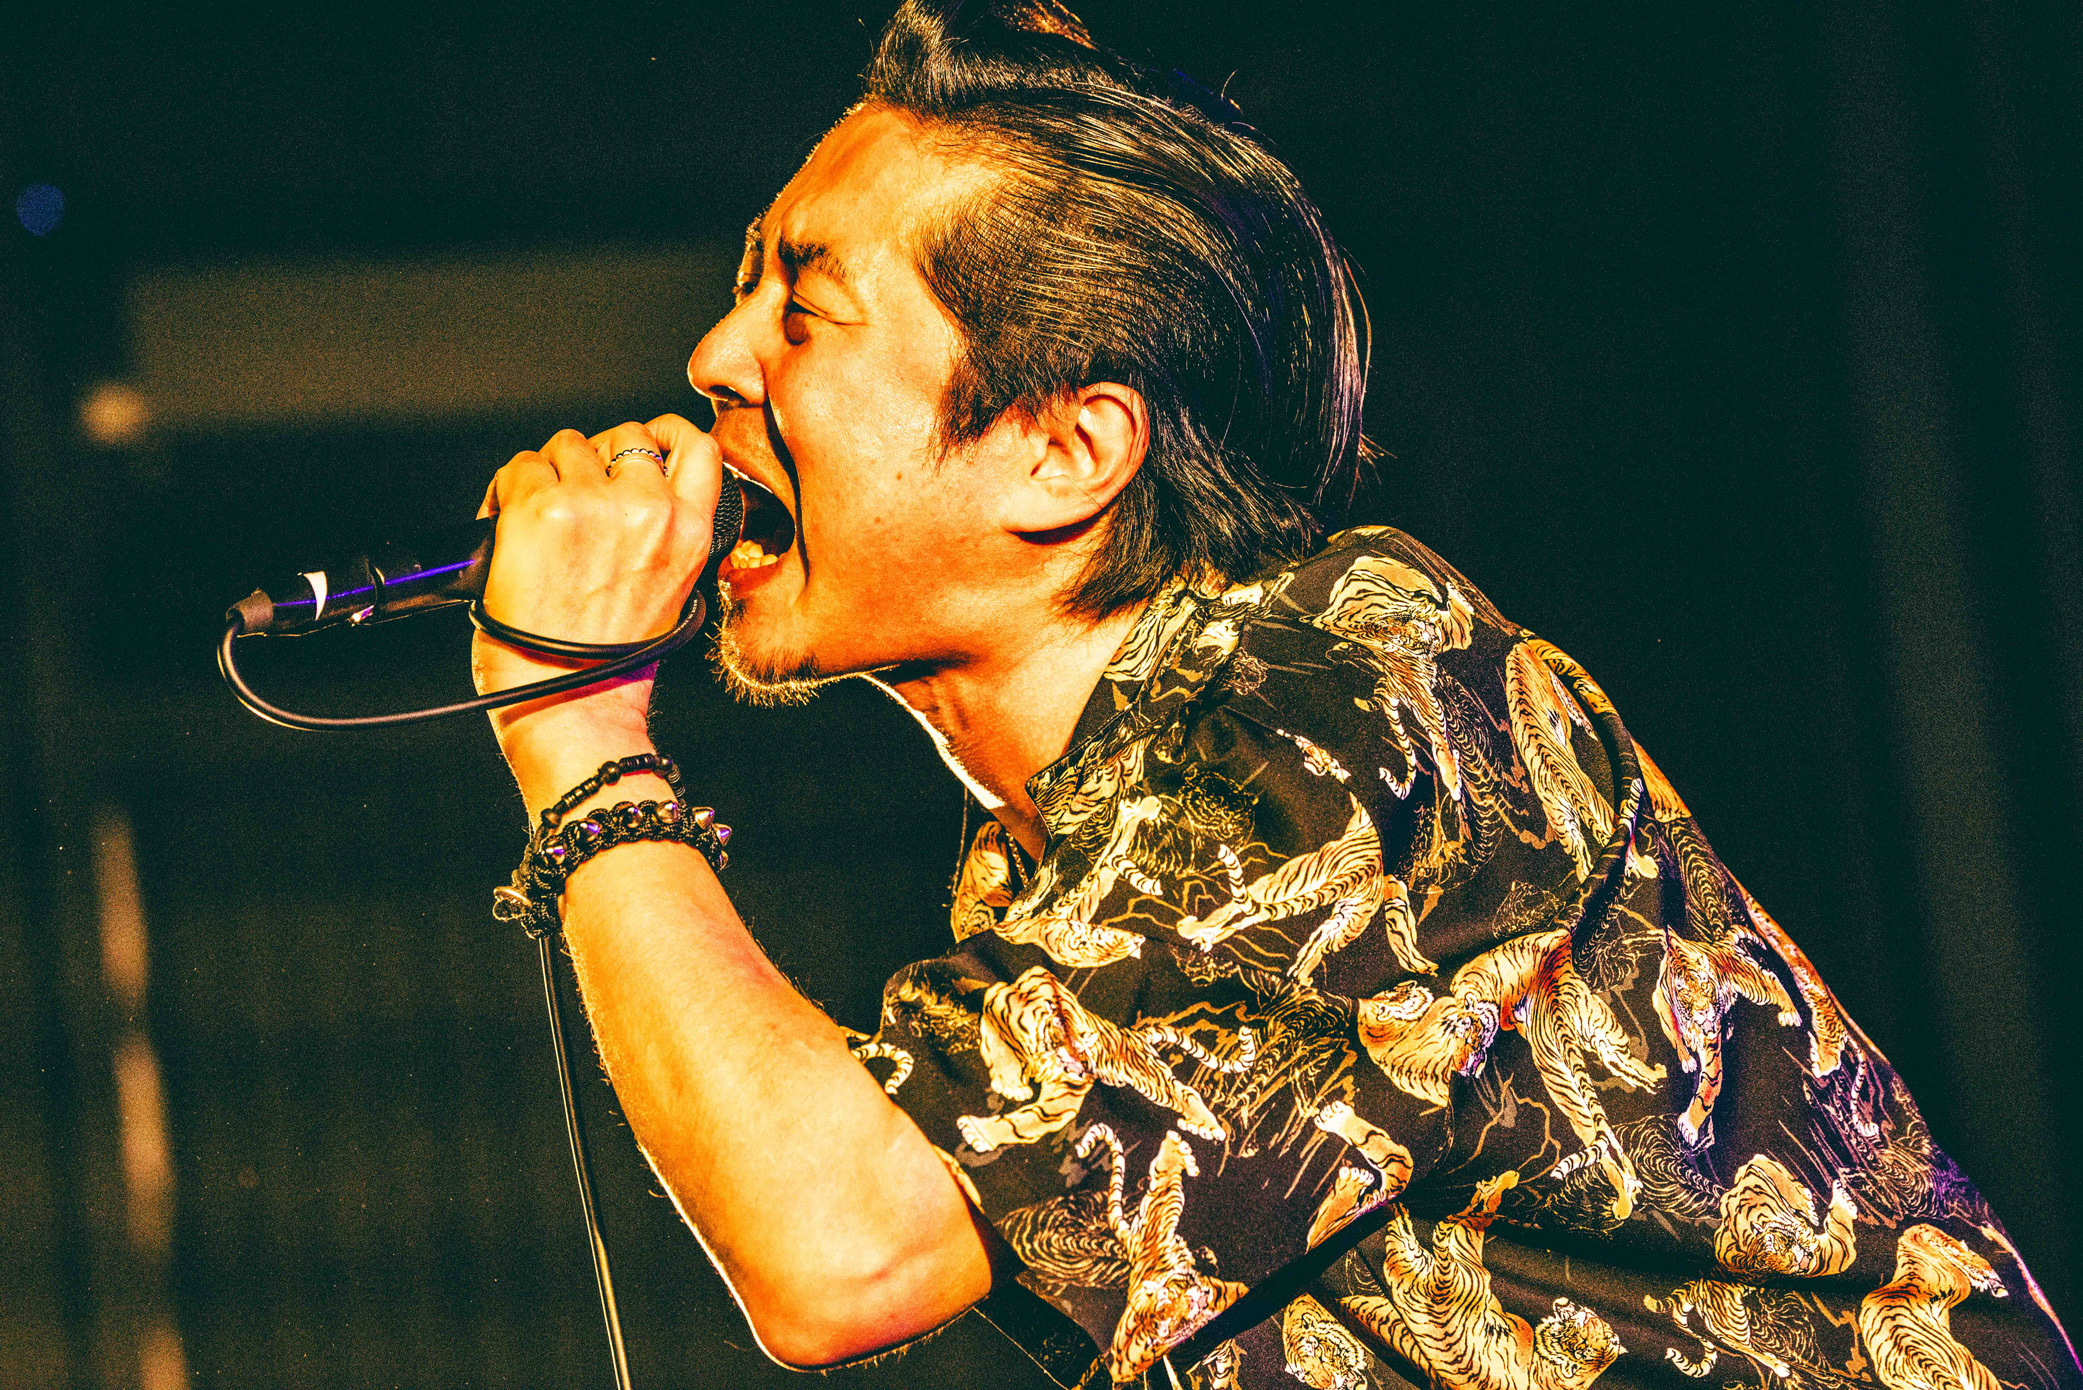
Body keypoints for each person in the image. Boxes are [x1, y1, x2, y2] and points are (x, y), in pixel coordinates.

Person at [466, 2, 2081, 1386]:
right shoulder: (1069, 864)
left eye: (803, 308)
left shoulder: (1337, 695)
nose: (715, 355)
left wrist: (576, 732)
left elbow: (844, 1239)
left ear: (1065, 448)